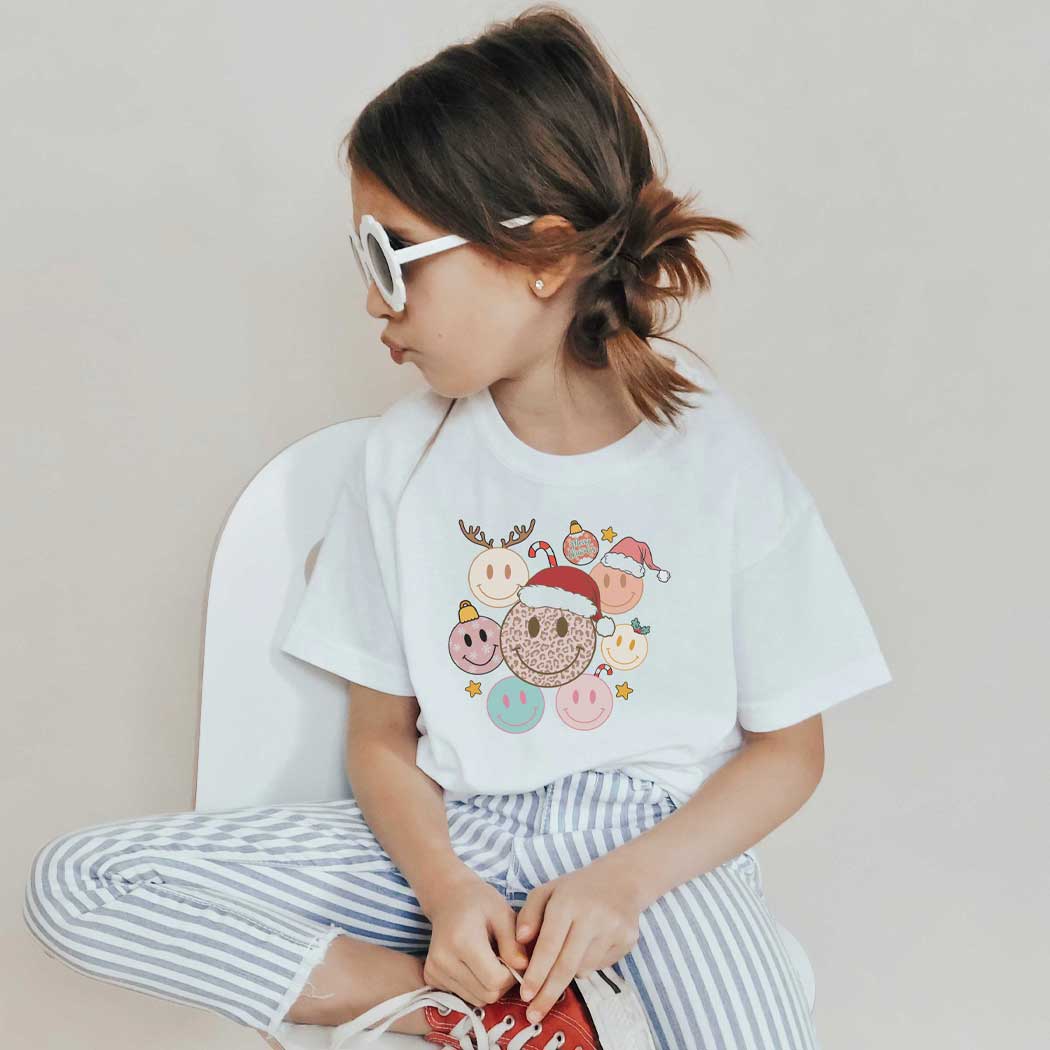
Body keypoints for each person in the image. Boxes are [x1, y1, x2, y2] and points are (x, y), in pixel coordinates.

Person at [22, 6, 892, 1049]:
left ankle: (548, 1000)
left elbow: (789, 751)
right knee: (81, 881)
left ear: (544, 254)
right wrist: (444, 892)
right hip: (458, 840)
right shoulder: (405, 463)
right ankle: (474, 1011)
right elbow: (380, 739)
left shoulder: (719, 459)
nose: (373, 301)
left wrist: (625, 883)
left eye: (395, 257)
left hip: (652, 860)